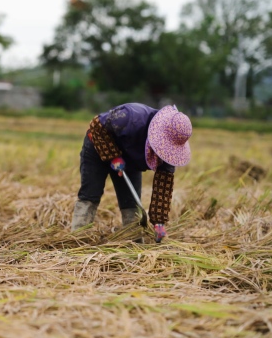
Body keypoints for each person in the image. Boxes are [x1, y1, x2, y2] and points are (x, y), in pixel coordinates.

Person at [71, 103, 192, 243]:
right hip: (98, 147)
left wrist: (159, 222)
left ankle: (132, 244)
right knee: (90, 194)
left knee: (131, 203)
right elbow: (96, 125)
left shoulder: (168, 154)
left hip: (129, 162)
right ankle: (77, 239)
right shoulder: (131, 117)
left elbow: (163, 187)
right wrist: (113, 155)